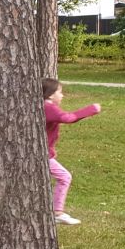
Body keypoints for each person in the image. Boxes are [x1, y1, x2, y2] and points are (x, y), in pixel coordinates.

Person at [43, 79, 101, 226]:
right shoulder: (49, 107)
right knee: (65, 176)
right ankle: (57, 212)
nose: (62, 95)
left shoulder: (44, 106)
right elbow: (67, 118)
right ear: (50, 95)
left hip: (44, 152)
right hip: (43, 155)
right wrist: (91, 109)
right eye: (60, 92)